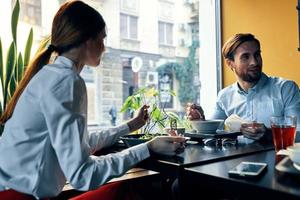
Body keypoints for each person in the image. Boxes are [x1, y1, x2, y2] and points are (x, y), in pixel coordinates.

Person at [0, 1, 186, 199]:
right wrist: (148, 148)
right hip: (18, 196)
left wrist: (130, 125)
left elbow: (80, 143)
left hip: (14, 192)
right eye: (102, 39)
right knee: (124, 191)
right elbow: (82, 175)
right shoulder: (67, 81)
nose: (105, 48)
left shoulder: (52, 75)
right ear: (87, 39)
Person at [187, 33, 300, 140]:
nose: (254, 62)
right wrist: (200, 122)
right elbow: (212, 134)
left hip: (279, 160)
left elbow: (299, 134)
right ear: (230, 63)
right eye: (245, 57)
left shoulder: (286, 89)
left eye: (257, 55)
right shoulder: (224, 96)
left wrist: (269, 134)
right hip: (236, 160)